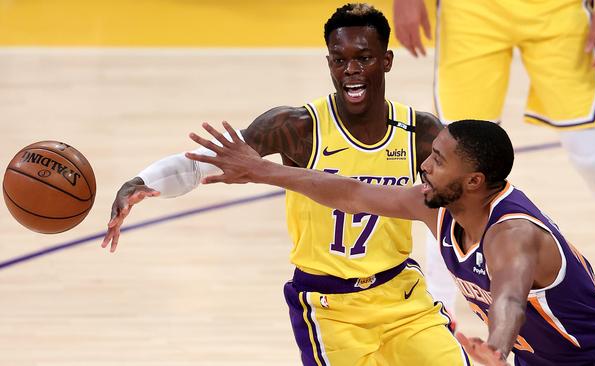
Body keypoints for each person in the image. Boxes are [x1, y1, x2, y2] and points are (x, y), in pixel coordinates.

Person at [101, 4, 471, 365]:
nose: (351, 71)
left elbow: (462, 204)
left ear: (387, 61)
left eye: (364, 58)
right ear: (328, 62)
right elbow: (206, 163)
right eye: (339, 60)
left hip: (401, 296)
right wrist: (141, 182)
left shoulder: (420, 132)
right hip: (330, 307)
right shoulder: (298, 127)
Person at [188, 119, 595, 365]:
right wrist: (262, 170)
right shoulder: (437, 207)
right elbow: (352, 193)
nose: (425, 166)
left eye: (438, 160)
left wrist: (496, 348)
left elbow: (510, 299)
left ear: (473, 180)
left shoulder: (513, 235)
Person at [392, 0, 595, 333]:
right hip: (470, 10)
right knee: (453, 162)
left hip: (559, 8)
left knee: (592, 154)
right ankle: (440, 313)